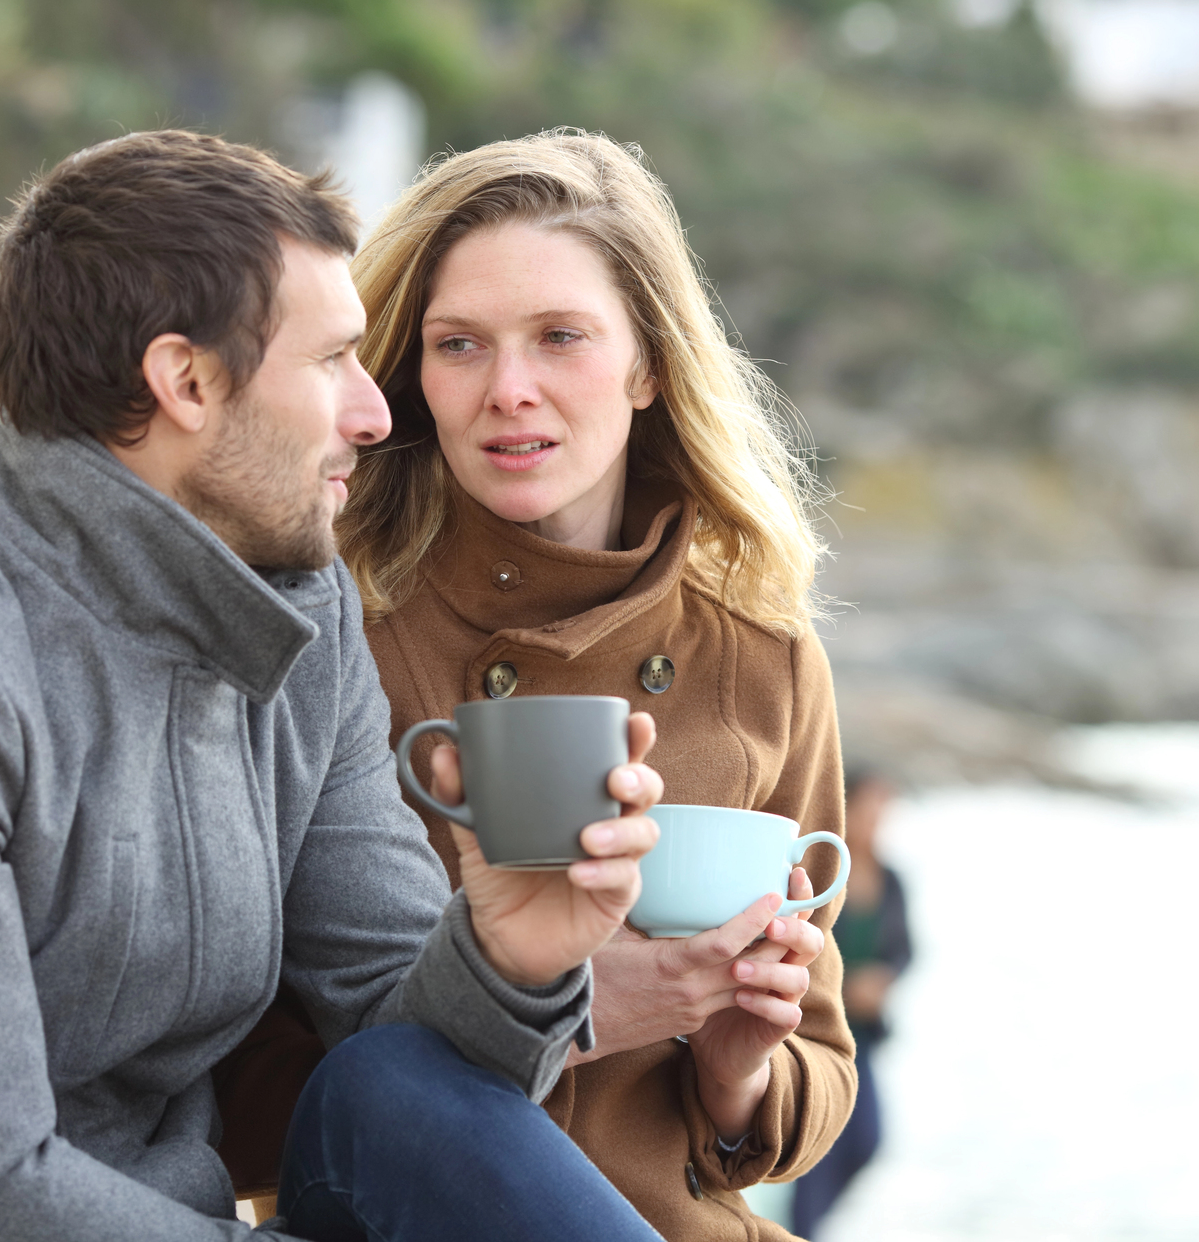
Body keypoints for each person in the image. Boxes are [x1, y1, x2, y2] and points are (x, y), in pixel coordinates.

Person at [0, 129, 674, 1242]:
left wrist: (508, 954)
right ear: (186, 381)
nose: (375, 411)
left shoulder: (296, 612)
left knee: (389, 1084)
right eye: (329, 362)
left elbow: (416, 1084)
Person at [219, 129, 858, 1239]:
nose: (508, 390)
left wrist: (734, 1074)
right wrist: (563, 1011)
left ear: (647, 363)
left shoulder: (762, 655)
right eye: (459, 345)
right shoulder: (333, 639)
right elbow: (241, 1068)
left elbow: (822, 1058)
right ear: (410, 374)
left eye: (559, 337)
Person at [788, 769, 911, 1238]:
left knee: (866, 1140)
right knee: (814, 1138)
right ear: (847, 809)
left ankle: (808, 1226)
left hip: (864, 1034)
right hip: (813, 1025)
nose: (879, 820)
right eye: (871, 809)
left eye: (886, 811)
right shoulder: (821, 874)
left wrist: (884, 978)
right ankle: (801, 1229)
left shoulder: (892, 879)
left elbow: (904, 951)